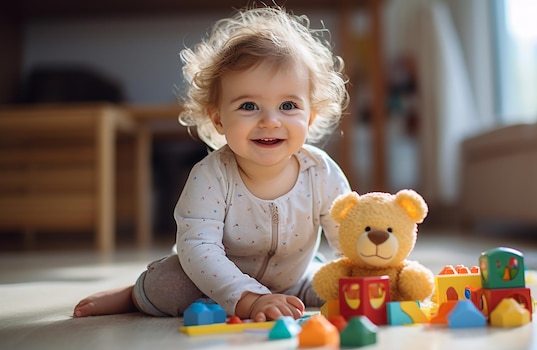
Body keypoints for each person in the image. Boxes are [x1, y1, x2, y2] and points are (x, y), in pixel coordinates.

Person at [73, 6, 351, 322]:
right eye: (249, 106)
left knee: (344, 282)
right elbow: (197, 246)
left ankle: (288, 294)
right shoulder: (211, 176)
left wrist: (367, 274)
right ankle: (135, 294)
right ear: (218, 119)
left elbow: (348, 237)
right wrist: (249, 299)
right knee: (170, 285)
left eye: (288, 105)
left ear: (310, 116)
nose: (270, 121)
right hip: (211, 281)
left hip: (295, 279)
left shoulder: (321, 172)